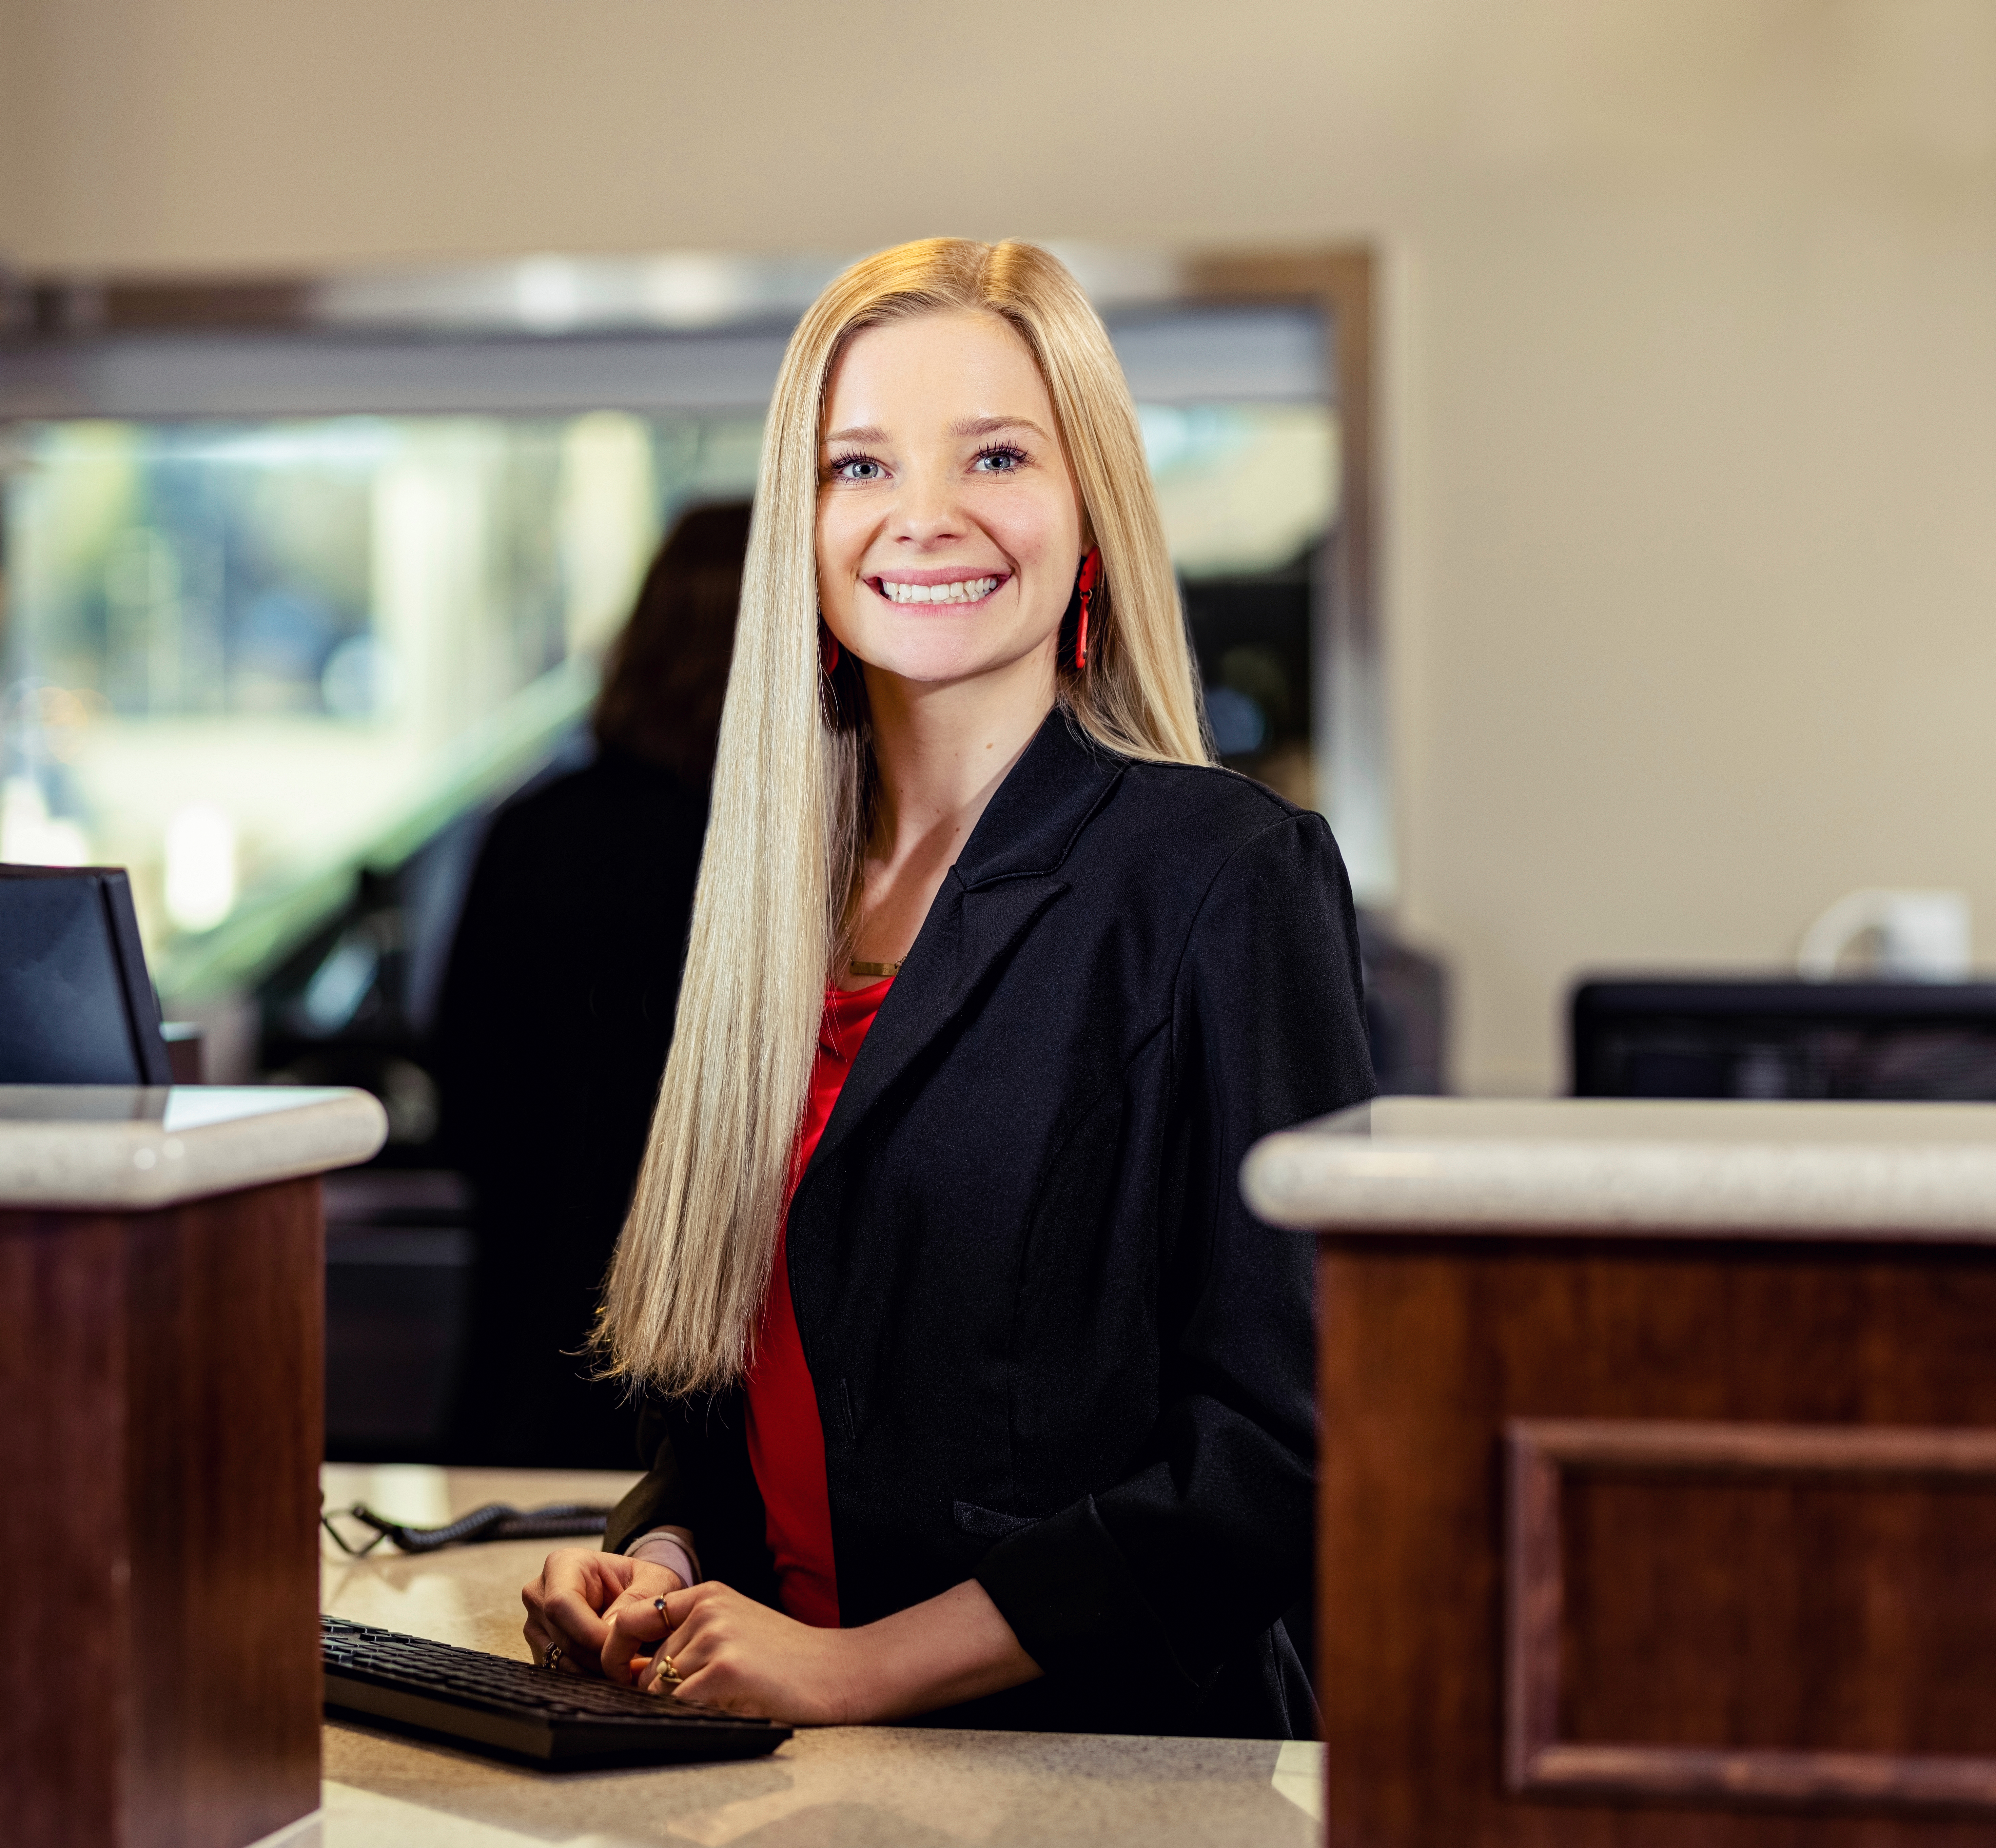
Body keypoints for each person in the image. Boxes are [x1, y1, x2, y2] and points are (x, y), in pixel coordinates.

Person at [518, 238, 1372, 1734]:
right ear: (801, 523)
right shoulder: (763, 900)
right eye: (858, 466)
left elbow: (1284, 1455)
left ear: (1088, 507)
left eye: (994, 453)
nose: (923, 516)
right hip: (784, 1777)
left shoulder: (1219, 876)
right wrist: (659, 1556)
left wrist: (857, 1667)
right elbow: (770, 1397)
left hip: (1109, 1781)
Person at [434, 503, 750, 1468]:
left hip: (536, 1341)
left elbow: (464, 1083)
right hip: (722, 1369)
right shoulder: (787, 852)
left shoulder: (537, 827)